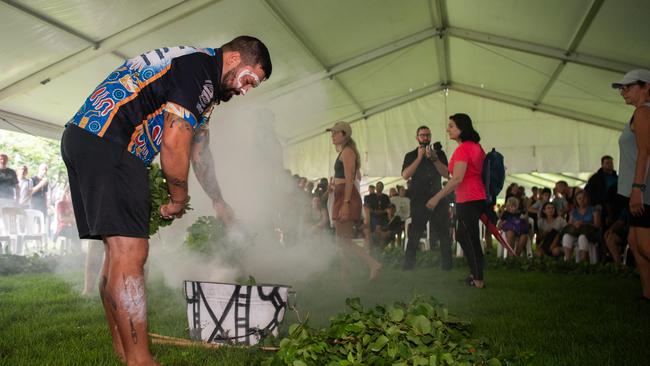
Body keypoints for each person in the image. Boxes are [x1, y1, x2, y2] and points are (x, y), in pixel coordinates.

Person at [60, 36, 272, 366]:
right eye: (250, 80)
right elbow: (176, 139)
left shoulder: (200, 80)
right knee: (132, 253)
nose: (246, 90)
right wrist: (178, 198)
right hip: (112, 143)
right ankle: (140, 360)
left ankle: (124, 349)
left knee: (117, 253)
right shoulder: (200, 68)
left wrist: (218, 200)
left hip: (86, 138)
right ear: (233, 59)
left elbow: (200, 151)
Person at [426, 114, 487, 288]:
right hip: (474, 197)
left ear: (462, 128)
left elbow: (457, 179)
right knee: (464, 236)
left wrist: (436, 197)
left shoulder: (463, 149)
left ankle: (478, 279)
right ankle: (475, 274)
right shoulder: (474, 147)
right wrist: (435, 160)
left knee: (469, 237)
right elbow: (449, 174)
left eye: (452, 126)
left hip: (469, 198)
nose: (448, 129)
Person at [612, 69, 650, 301]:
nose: (623, 92)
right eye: (621, 88)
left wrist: (638, 189)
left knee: (644, 246)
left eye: (628, 87)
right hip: (638, 189)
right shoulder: (640, 113)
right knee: (635, 244)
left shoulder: (644, 112)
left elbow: (645, 153)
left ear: (646, 86)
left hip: (644, 190)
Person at [327, 121, 381, 281]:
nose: (332, 135)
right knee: (342, 240)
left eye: (335, 133)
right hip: (341, 193)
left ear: (344, 135)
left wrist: (346, 202)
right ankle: (345, 277)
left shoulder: (348, 152)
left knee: (344, 240)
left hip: (345, 195)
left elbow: (350, 178)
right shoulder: (345, 151)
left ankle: (373, 264)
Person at [401, 126, 452, 270]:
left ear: (430, 137)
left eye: (427, 135)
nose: (425, 138)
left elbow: (447, 174)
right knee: (415, 233)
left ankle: (447, 266)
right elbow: (405, 175)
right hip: (418, 199)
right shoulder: (410, 155)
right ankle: (408, 266)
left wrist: (434, 159)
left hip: (437, 197)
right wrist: (418, 158)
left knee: (443, 232)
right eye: (422, 135)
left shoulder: (439, 154)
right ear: (417, 138)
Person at [561, 190, 601, 263]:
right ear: (576, 200)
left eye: (584, 198)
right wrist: (575, 224)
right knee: (566, 236)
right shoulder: (574, 211)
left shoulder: (594, 210)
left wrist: (584, 223)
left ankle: (583, 262)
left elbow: (597, 225)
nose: (582, 200)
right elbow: (569, 224)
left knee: (582, 237)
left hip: (589, 233)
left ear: (587, 199)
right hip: (576, 232)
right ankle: (567, 260)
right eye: (579, 198)